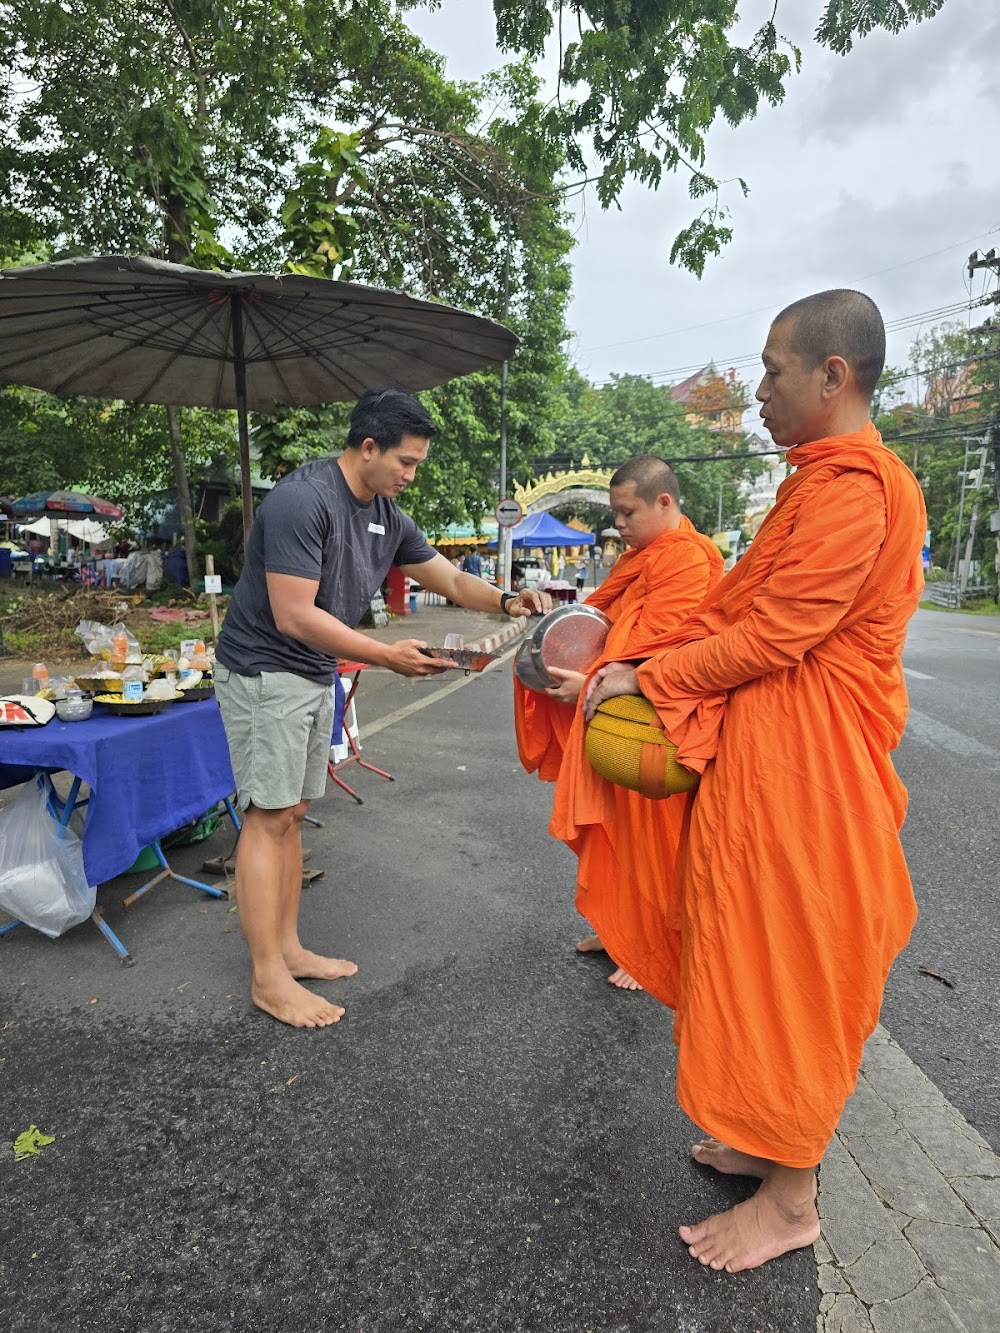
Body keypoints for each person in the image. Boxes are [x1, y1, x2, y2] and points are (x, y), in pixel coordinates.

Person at [584, 290, 927, 1272]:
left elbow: (778, 634)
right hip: (770, 758)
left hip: (811, 769)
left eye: (773, 369)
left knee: (793, 958)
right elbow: (751, 612)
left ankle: (791, 1197)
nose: (760, 388)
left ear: (833, 375)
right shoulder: (814, 481)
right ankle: (764, 1136)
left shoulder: (855, 488)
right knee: (740, 939)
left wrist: (649, 674)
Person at [215, 387, 551, 1031]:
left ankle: (287, 950)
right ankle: (267, 978)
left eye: (417, 463)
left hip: (314, 672)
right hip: (265, 670)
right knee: (267, 816)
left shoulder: (386, 514)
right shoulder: (302, 500)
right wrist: (383, 653)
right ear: (367, 447)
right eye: (407, 461)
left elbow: (449, 580)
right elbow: (293, 614)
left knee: (295, 813)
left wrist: (507, 600)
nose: (411, 474)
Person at [515, 458, 723, 988]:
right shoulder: (643, 558)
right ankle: (618, 931)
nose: (620, 525)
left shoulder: (689, 560)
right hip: (615, 710)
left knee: (656, 839)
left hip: (656, 721)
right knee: (619, 832)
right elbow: (605, 629)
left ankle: (650, 948)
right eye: (616, 514)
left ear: (664, 503)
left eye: (628, 513)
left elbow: (663, 650)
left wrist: (589, 683)